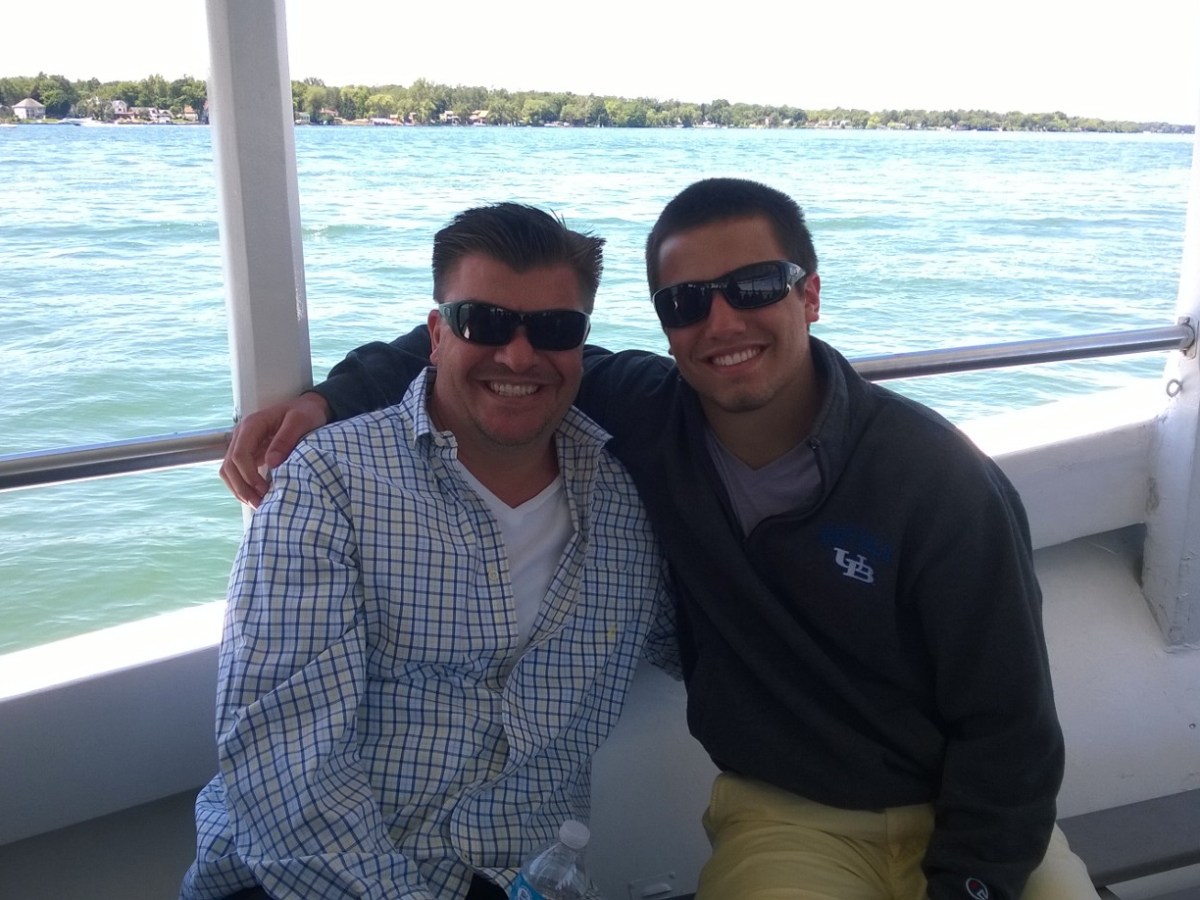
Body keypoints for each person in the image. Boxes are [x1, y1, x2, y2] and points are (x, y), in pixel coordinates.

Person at [220, 179, 1098, 900]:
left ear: (812, 295)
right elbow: (476, 343)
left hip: (971, 811)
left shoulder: (935, 477)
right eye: (686, 302)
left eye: (755, 286)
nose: (722, 323)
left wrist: (974, 882)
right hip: (785, 815)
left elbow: (1013, 729)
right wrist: (332, 400)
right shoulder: (641, 426)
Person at [183, 203, 678, 900]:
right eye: (485, 322)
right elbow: (287, 778)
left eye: (555, 329)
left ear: (582, 346)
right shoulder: (331, 483)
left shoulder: (625, 507)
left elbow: (704, 644)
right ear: (437, 335)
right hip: (300, 881)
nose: (519, 355)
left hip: (518, 878)